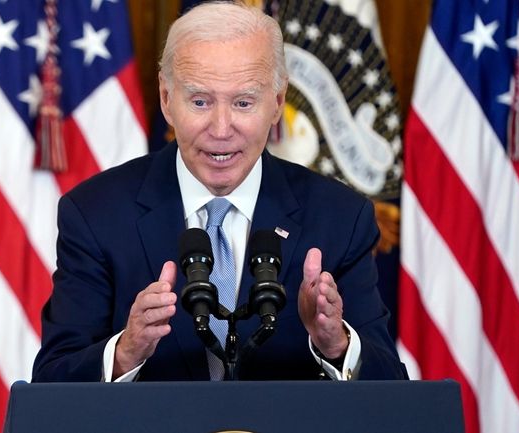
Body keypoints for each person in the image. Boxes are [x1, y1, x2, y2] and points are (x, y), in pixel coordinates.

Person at [32, 1, 406, 382]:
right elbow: (51, 385)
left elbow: (394, 395)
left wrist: (336, 344)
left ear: (276, 103)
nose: (222, 128)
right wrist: (125, 353)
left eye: (243, 102)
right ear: (166, 99)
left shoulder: (341, 217)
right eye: (200, 101)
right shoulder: (96, 214)